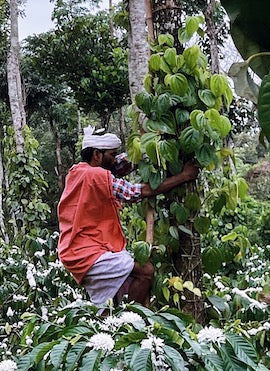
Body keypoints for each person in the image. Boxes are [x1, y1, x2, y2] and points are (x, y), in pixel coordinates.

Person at [57, 127, 199, 305]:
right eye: (111, 154)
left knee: (120, 288)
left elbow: (119, 165)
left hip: (76, 251)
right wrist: (183, 176)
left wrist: (147, 147)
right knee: (145, 271)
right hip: (87, 252)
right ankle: (132, 320)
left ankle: (115, 324)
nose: (115, 159)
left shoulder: (77, 171)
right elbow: (137, 192)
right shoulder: (95, 175)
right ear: (96, 155)